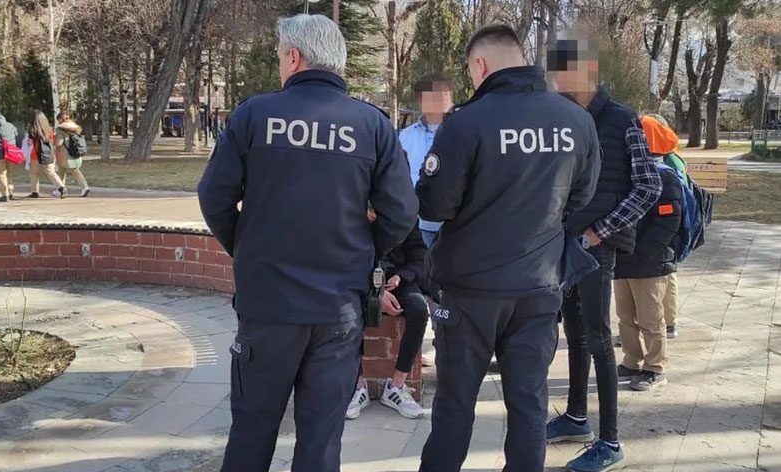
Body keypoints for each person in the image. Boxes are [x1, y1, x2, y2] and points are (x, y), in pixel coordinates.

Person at [197, 14, 418, 472]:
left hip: (268, 305)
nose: (281, 63)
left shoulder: (254, 115)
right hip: (338, 310)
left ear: (294, 57)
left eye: (281, 56)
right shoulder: (372, 125)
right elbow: (401, 213)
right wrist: (362, 253)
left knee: (251, 434)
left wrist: (248, 248)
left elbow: (214, 197)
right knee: (320, 444)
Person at [416, 25, 601, 472]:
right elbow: (581, 196)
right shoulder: (576, 119)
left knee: (455, 405)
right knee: (529, 404)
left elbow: (435, 204)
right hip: (539, 285)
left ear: (480, 65)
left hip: (470, 291)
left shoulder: (466, 121)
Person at [545, 37, 662, 471]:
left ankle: (610, 442)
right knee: (574, 334)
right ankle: (577, 418)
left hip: (598, 247)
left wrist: (601, 231)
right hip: (565, 243)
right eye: (555, 71)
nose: (559, 79)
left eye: (566, 70)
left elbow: (648, 185)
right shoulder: (561, 118)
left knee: (598, 338)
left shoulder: (622, 119)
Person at [613, 141, 683, 392]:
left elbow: (669, 220)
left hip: (650, 262)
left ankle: (655, 367)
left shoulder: (664, 177)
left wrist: (643, 252)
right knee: (625, 316)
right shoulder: (624, 174)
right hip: (623, 259)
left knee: (650, 318)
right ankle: (631, 361)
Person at [347, 209, 428, 420]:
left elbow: (420, 259)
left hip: (398, 279)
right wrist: (376, 292)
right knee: (349, 311)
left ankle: (396, 386)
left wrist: (401, 277)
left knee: (419, 310)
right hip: (360, 280)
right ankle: (358, 385)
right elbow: (347, 261)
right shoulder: (350, 217)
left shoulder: (405, 217)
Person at [641, 113, 685, 339]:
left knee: (668, 276)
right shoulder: (666, 159)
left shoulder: (669, 162)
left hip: (667, 232)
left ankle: (669, 323)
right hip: (660, 231)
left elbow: (675, 204)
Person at [399, 74, 454, 248]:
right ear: (420, 100)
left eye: (447, 92)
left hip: (453, 227)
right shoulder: (405, 136)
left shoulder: (462, 132)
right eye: (437, 93)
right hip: (415, 227)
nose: (444, 98)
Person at [27, 110, 66, 199]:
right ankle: (61, 187)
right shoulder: (49, 130)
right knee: (51, 172)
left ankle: (35, 191)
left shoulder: (33, 131)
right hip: (49, 153)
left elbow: (30, 142)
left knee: (34, 173)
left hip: (36, 154)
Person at [55, 111, 90, 197]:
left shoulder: (60, 129)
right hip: (76, 153)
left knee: (67, 171)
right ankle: (60, 189)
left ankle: (83, 187)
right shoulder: (75, 127)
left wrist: (54, 141)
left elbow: (59, 143)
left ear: (60, 119)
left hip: (65, 155)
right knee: (68, 171)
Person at [0, 109, 19, 202]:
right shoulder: (10, 125)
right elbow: (16, 134)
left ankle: (4, 195)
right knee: (8, 173)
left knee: (0, 174)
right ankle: (10, 192)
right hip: (10, 152)